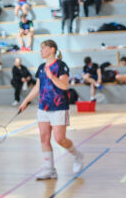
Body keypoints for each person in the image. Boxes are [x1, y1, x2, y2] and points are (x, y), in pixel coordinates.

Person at [18, 40, 84, 180]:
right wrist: (26, 101)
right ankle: (50, 170)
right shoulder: (41, 67)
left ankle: (77, 155)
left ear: (52, 49)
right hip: (43, 107)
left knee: (60, 139)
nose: (40, 51)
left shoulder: (61, 66)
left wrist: (52, 76)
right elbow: (37, 87)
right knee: (44, 138)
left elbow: (64, 86)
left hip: (59, 107)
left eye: (43, 48)